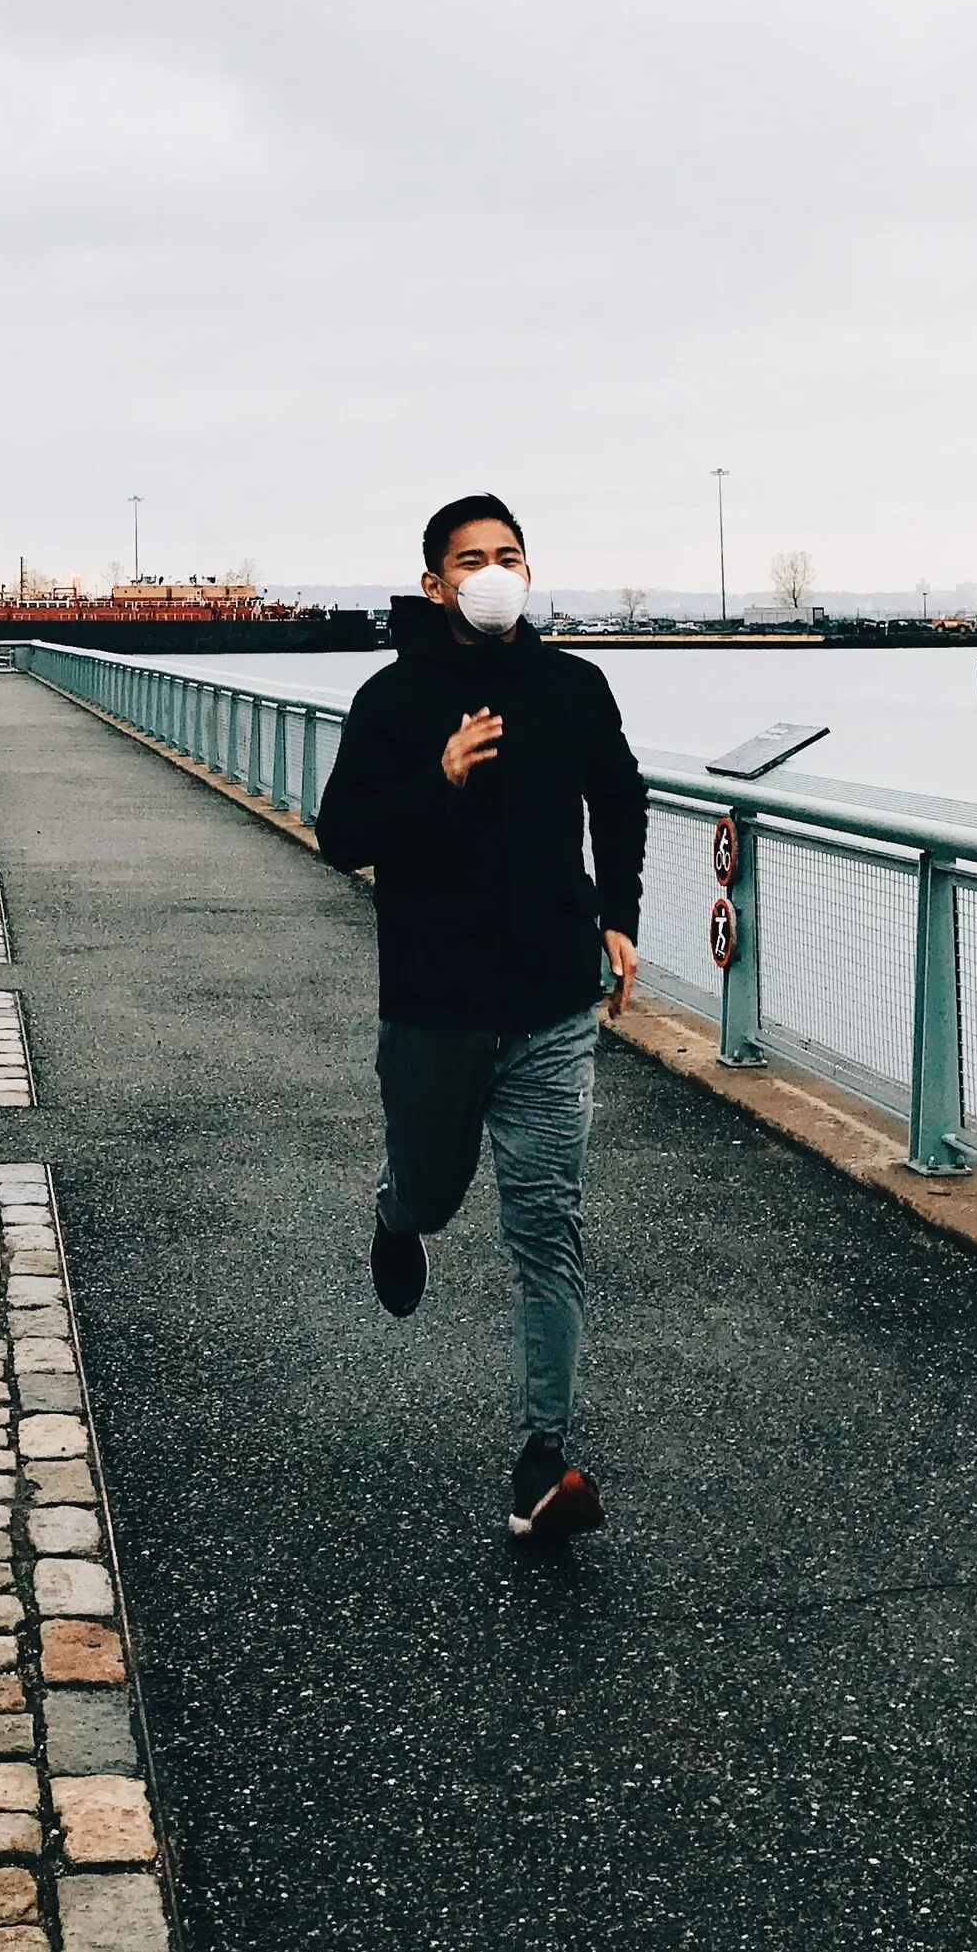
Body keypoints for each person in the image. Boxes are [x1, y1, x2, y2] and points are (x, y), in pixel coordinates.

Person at [314, 492, 648, 1544]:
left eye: (509, 555)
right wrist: (440, 780)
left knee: (546, 1232)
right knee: (433, 1189)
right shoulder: (394, 699)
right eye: (470, 559)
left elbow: (620, 796)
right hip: (434, 1010)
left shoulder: (574, 687)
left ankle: (542, 1464)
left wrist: (620, 923)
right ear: (433, 583)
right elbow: (339, 837)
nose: (492, 572)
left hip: (552, 1008)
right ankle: (394, 1211)